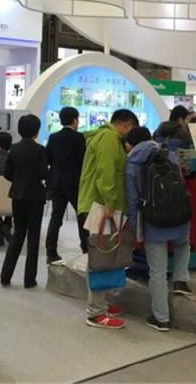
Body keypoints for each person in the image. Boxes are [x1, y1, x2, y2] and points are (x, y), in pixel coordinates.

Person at [125, 126, 190, 332]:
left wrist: (136, 229)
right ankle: (181, 281)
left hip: (153, 221)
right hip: (179, 215)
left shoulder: (132, 163)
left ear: (131, 144)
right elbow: (181, 184)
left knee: (157, 272)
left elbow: (132, 200)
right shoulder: (168, 153)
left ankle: (161, 318)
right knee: (183, 244)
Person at [78, 109, 139, 329]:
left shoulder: (104, 137)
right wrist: (110, 203)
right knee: (101, 258)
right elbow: (106, 174)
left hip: (99, 204)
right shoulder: (109, 138)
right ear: (127, 124)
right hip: (101, 206)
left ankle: (100, 303)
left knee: (102, 256)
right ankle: (96, 312)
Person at [0, 115, 48, 288]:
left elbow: (7, 173)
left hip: (17, 195)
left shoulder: (13, 149)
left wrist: (18, 180)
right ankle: (29, 279)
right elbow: (43, 173)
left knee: (18, 235)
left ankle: (5, 275)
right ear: (36, 130)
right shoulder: (40, 150)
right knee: (33, 238)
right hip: (35, 196)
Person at [45, 107, 88, 264]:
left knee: (55, 218)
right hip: (75, 183)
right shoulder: (79, 138)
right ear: (75, 120)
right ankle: (85, 249)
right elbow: (83, 159)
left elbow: (48, 158)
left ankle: (51, 252)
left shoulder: (53, 137)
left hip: (57, 182)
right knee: (82, 217)